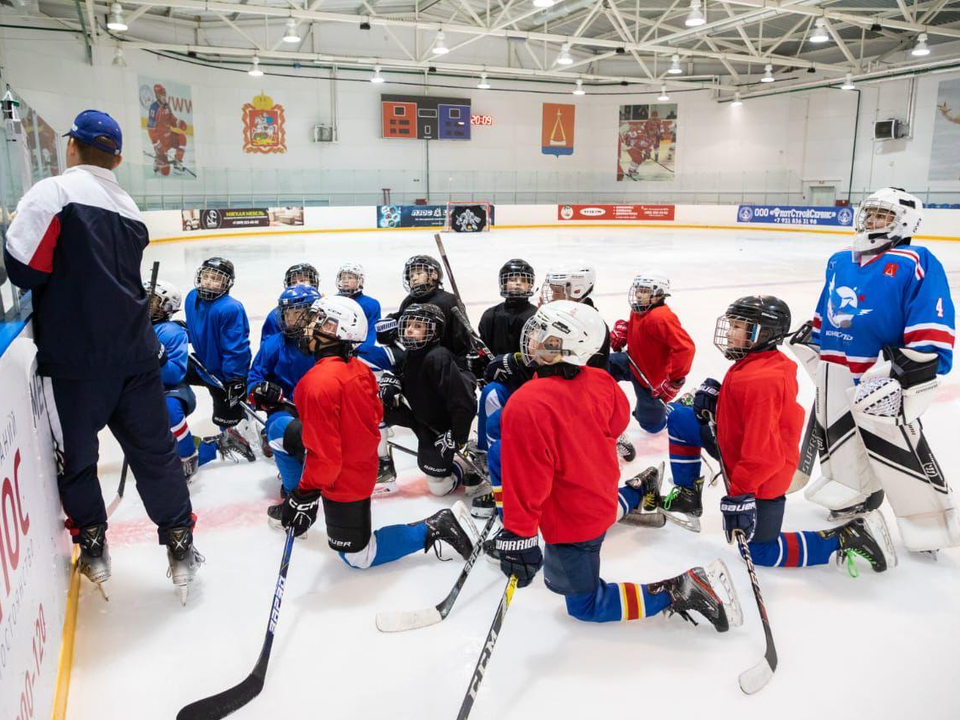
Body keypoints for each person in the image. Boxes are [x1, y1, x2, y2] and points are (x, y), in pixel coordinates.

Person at [2, 110, 200, 601]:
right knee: (156, 457)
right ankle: (180, 548)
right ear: (117, 157)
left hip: (75, 360)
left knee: (78, 462)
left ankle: (93, 547)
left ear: (72, 147)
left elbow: (24, 269)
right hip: (135, 355)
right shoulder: (129, 205)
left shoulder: (54, 192)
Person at [493, 300, 738, 629]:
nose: (533, 342)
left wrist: (519, 537)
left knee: (586, 604)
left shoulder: (526, 403)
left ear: (565, 348)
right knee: (597, 514)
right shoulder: (600, 381)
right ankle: (639, 489)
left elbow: (527, 482)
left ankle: (681, 588)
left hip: (571, 524)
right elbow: (618, 418)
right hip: (601, 496)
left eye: (544, 338)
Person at [661, 296, 898, 575]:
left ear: (765, 333)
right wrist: (716, 401)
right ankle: (688, 495)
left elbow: (763, 455)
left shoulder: (762, 381)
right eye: (733, 324)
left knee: (761, 551)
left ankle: (845, 536)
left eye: (740, 326)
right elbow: (745, 410)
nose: (731, 332)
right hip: (736, 448)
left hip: (764, 477)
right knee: (679, 417)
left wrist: (739, 496)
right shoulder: (759, 361)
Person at [802, 188, 957, 554]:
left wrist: (915, 367)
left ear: (905, 222)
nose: (871, 221)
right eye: (869, 214)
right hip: (835, 366)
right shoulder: (841, 258)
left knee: (896, 446)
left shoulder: (915, 260)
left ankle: (928, 522)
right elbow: (826, 306)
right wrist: (815, 337)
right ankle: (855, 493)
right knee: (837, 439)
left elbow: (930, 317)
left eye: (882, 216)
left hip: (879, 375)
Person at [278, 296, 477, 569]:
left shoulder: (315, 384)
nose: (308, 325)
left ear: (335, 330)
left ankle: (436, 526)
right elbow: (371, 416)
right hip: (354, 460)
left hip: (344, 479)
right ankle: (291, 494)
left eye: (316, 320)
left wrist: (304, 496)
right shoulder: (358, 368)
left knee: (359, 556)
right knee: (278, 428)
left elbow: (326, 459)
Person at [146, 279, 250, 482]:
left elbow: (174, 374)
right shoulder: (129, 326)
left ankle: (193, 455)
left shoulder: (169, 332)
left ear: (166, 307)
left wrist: (159, 358)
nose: (145, 304)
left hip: (168, 387)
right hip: (140, 388)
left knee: (169, 410)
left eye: (153, 301)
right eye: (143, 297)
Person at [379, 303, 486, 497]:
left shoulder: (438, 357)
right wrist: (391, 380)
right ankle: (382, 461)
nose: (410, 330)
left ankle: (465, 463)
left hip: (440, 427)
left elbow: (464, 403)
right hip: (418, 415)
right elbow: (404, 374)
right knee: (373, 408)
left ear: (434, 330)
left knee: (439, 487)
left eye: (418, 326)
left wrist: (457, 436)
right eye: (408, 325)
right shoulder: (411, 352)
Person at [248, 285, 321, 512]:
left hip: (322, 409)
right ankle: (294, 490)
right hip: (286, 410)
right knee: (280, 429)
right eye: (287, 312)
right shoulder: (272, 345)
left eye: (297, 312)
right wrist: (260, 389)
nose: (290, 318)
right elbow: (253, 380)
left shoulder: (327, 342)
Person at [335, 261, 400, 490]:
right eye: (343, 277)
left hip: (362, 360)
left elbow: (369, 333)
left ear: (360, 281)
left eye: (351, 277)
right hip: (340, 360)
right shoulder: (334, 301)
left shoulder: (370, 304)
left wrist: (356, 352)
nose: (346, 281)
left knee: (374, 412)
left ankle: (383, 461)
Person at [184, 256, 255, 461]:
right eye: (206, 276)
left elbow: (236, 348)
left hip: (224, 377)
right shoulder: (192, 297)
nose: (208, 282)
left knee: (227, 421)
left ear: (227, 284)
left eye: (216, 278)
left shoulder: (230, 308)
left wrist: (235, 379)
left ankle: (236, 436)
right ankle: (177, 434)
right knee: (160, 376)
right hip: (201, 365)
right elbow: (200, 329)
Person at [608, 273, 694, 434]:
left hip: (652, 379)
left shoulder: (661, 317)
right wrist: (625, 331)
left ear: (659, 294)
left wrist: (674, 380)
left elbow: (685, 348)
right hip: (632, 362)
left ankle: (680, 405)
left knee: (652, 426)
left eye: (645, 291)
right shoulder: (639, 309)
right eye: (638, 290)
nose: (639, 295)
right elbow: (643, 331)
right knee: (600, 368)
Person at [375, 255, 471, 362]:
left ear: (434, 274)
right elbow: (401, 325)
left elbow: (461, 338)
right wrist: (388, 328)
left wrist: (461, 362)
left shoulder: (448, 301)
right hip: (415, 359)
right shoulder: (409, 301)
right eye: (411, 276)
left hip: (443, 360)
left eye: (419, 273)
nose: (414, 278)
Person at [261, 263, 320, 343]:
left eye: (302, 280)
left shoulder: (327, 309)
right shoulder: (274, 316)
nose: (298, 284)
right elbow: (267, 346)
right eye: (293, 282)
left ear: (313, 282)